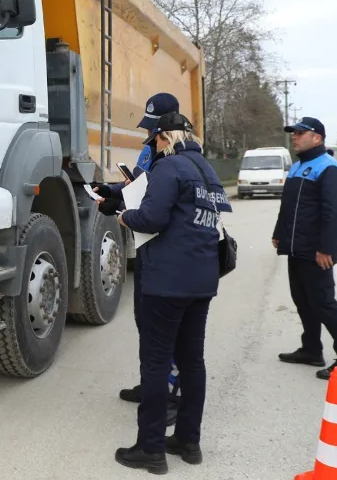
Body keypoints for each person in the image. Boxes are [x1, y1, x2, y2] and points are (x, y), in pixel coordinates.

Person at [113, 111, 232, 474]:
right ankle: (188, 440)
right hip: (202, 281)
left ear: (165, 137)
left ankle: (149, 449)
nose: (154, 145)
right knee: (192, 361)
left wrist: (123, 216)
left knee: (156, 363)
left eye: (155, 139)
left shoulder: (169, 168)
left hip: (166, 283)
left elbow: (151, 218)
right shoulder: (207, 172)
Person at [92, 92, 182, 426]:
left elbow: (157, 205)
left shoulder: (177, 158)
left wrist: (122, 209)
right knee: (144, 320)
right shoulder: (151, 150)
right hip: (145, 247)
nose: (150, 133)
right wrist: (111, 190)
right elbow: (139, 186)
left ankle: (172, 393)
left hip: (164, 248)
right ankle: (154, 384)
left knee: (164, 327)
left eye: (155, 126)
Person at [272, 117, 337, 380]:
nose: (295, 137)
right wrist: (279, 233)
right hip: (295, 247)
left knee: (324, 303)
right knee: (302, 301)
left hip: (316, 251)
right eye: (294, 133)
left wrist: (327, 250)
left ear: (318, 138)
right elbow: (287, 206)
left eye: (301, 133)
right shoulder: (297, 168)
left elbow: (335, 214)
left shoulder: (330, 169)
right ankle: (311, 350)